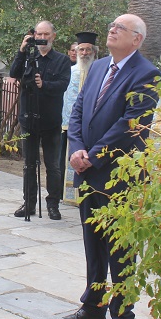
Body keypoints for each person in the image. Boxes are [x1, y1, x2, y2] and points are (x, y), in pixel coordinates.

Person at [65, 14, 160, 319]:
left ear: (137, 39)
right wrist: (76, 149)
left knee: (121, 247)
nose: (112, 29)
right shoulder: (98, 67)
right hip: (87, 170)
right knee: (92, 242)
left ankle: (122, 314)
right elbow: (78, 111)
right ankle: (93, 305)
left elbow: (131, 125)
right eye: (112, 26)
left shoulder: (147, 74)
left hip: (119, 176)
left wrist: (92, 156)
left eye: (121, 28)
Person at [9, 20, 71, 220]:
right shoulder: (28, 57)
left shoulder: (62, 60)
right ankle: (29, 204)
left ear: (53, 36)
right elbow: (13, 73)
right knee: (29, 164)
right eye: (39, 34)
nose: (42, 38)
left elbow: (63, 85)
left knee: (53, 166)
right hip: (29, 120)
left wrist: (45, 85)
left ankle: (53, 204)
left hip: (50, 121)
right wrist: (21, 50)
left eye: (46, 34)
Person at [61, 32, 98, 202]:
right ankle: (69, 196)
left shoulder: (100, 72)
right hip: (70, 125)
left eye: (88, 50)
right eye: (81, 50)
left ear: (94, 52)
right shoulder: (69, 72)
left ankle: (87, 196)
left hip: (92, 126)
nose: (84, 53)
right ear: (76, 51)